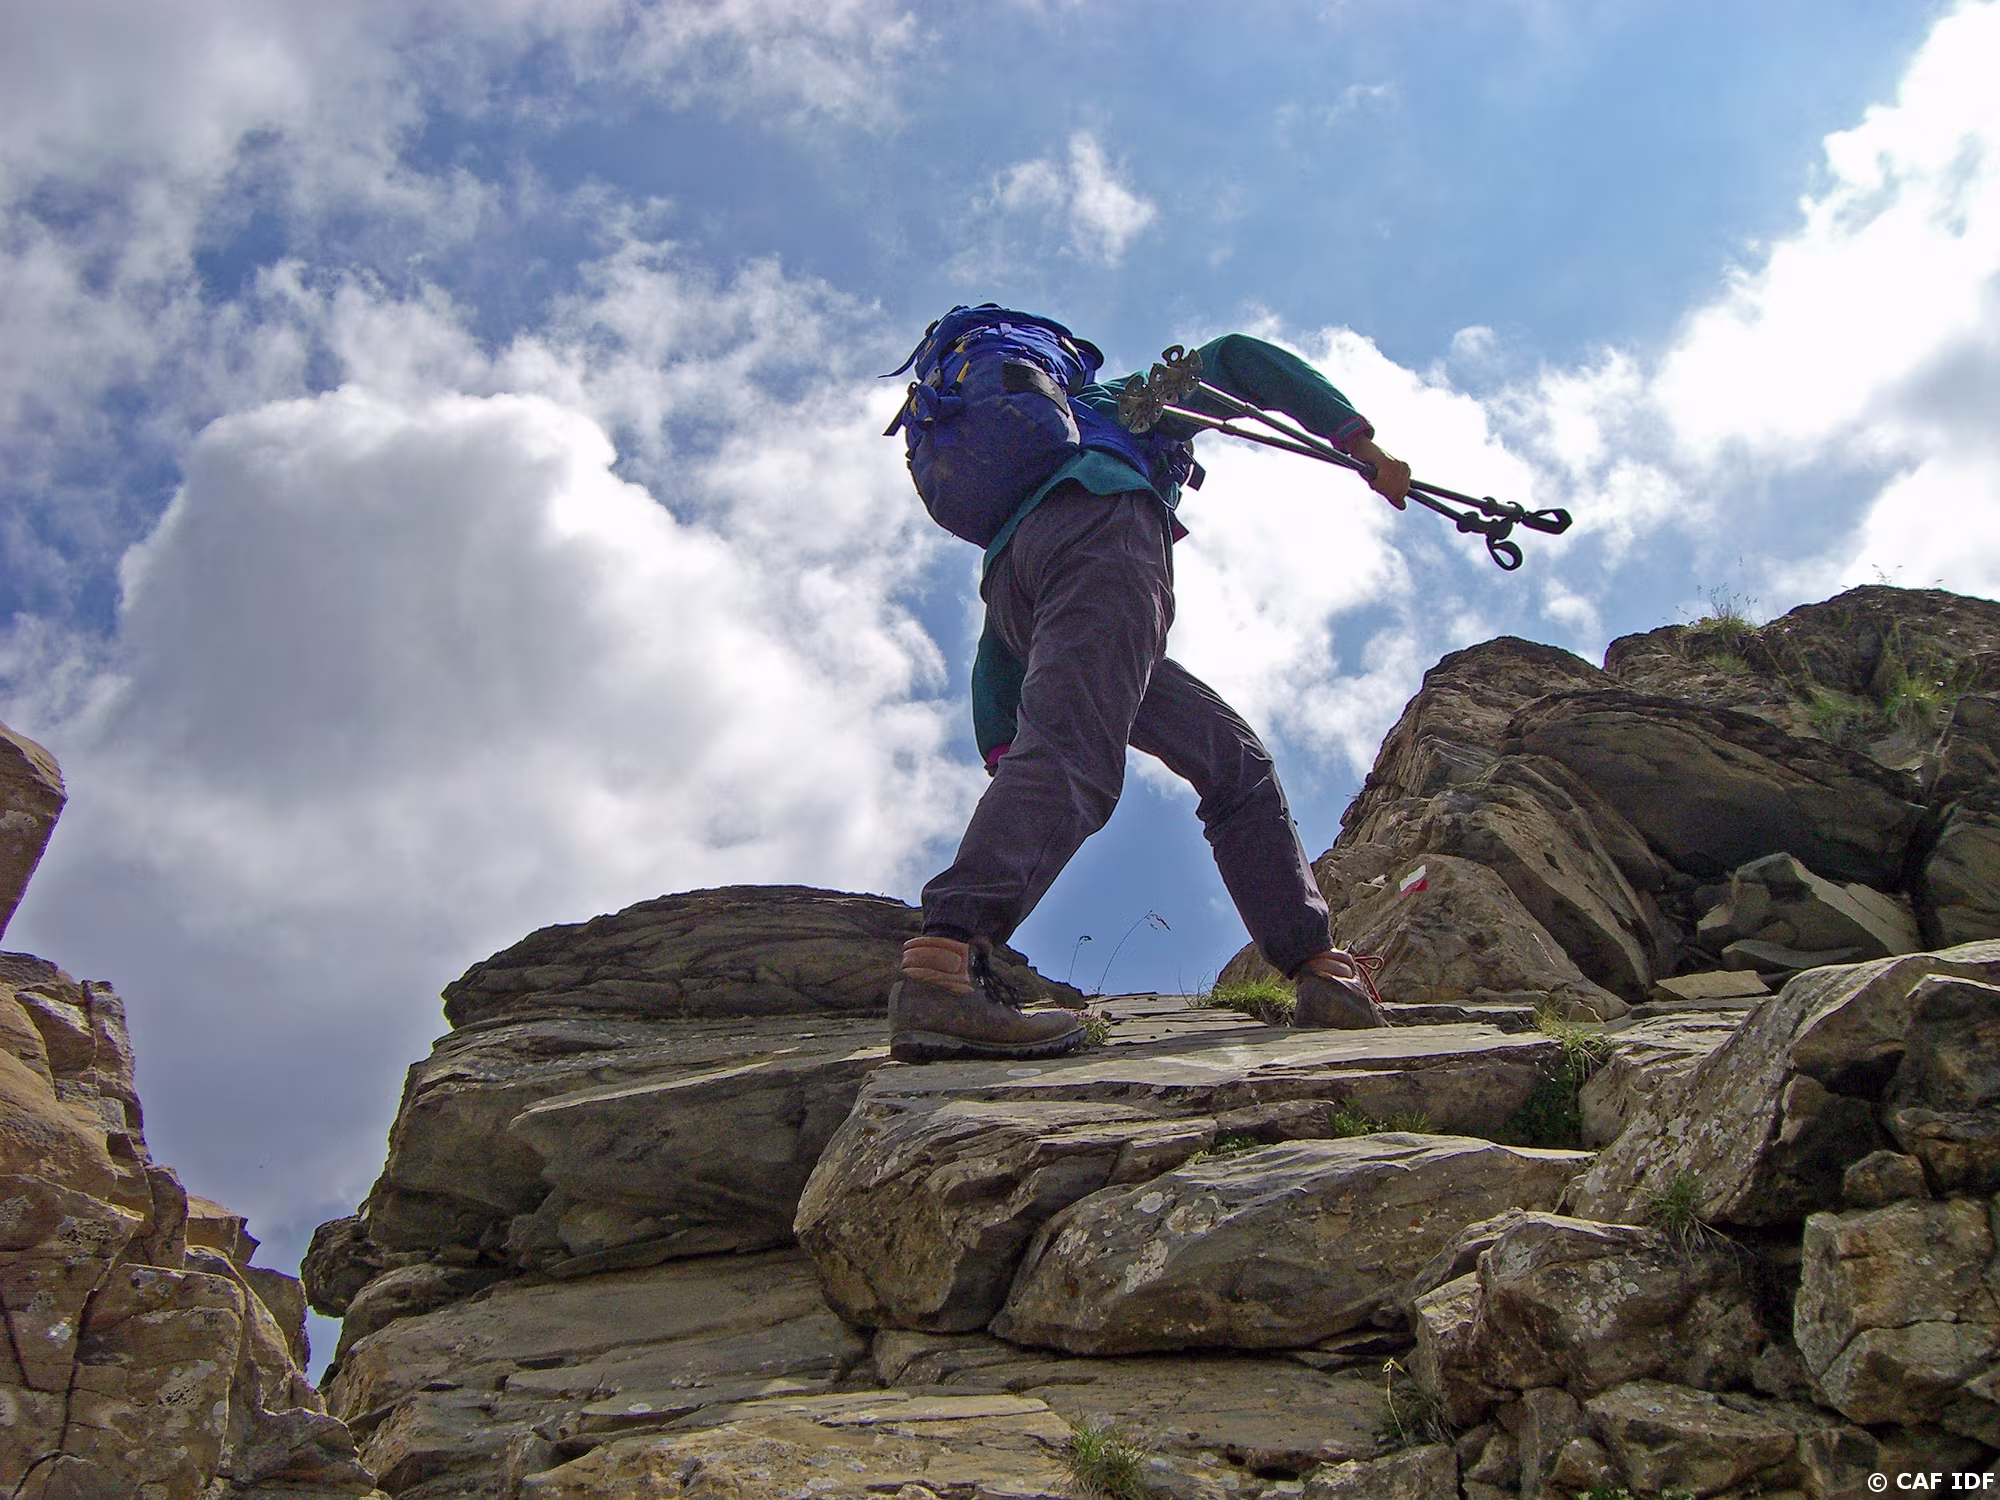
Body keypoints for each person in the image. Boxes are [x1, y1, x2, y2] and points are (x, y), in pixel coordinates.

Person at [888, 332, 1412, 1063]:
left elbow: (1000, 645)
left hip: (1019, 582)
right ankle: (943, 967)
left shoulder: (1040, 476)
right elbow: (1236, 359)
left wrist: (1005, 745)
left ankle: (1319, 969)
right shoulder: (1120, 408)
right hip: (1105, 541)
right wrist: (1357, 440)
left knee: (1235, 761)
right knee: (1074, 756)